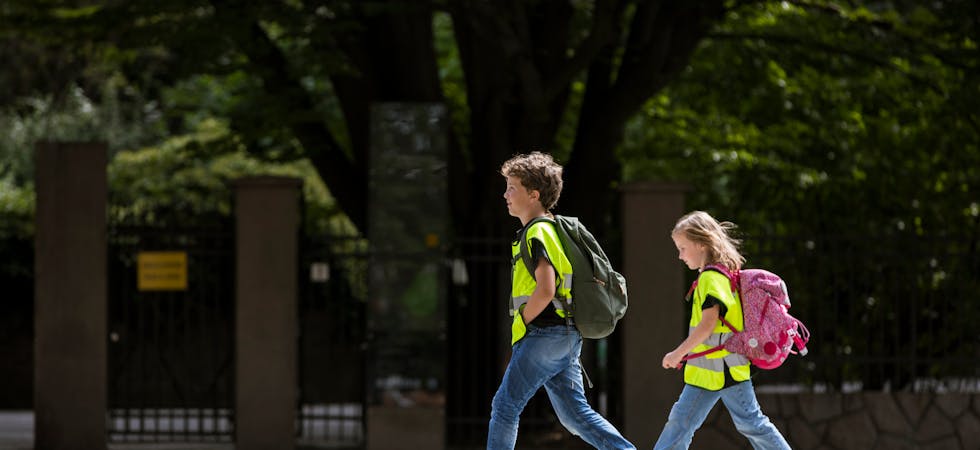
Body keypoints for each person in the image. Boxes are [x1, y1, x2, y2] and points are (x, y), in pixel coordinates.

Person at [488, 151, 635, 450]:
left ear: (534, 194)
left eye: (512, 187)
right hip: (565, 334)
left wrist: (523, 320)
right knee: (574, 416)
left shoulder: (537, 232)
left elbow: (546, 287)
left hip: (544, 333)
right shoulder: (551, 228)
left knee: (504, 407)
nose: (505, 194)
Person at [654, 211, 791, 450]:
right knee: (682, 424)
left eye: (683, 248)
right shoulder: (721, 274)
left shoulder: (710, 277)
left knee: (747, 423)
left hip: (722, 368)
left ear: (700, 244)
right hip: (711, 370)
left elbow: (708, 324)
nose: (680, 256)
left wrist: (678, 353)